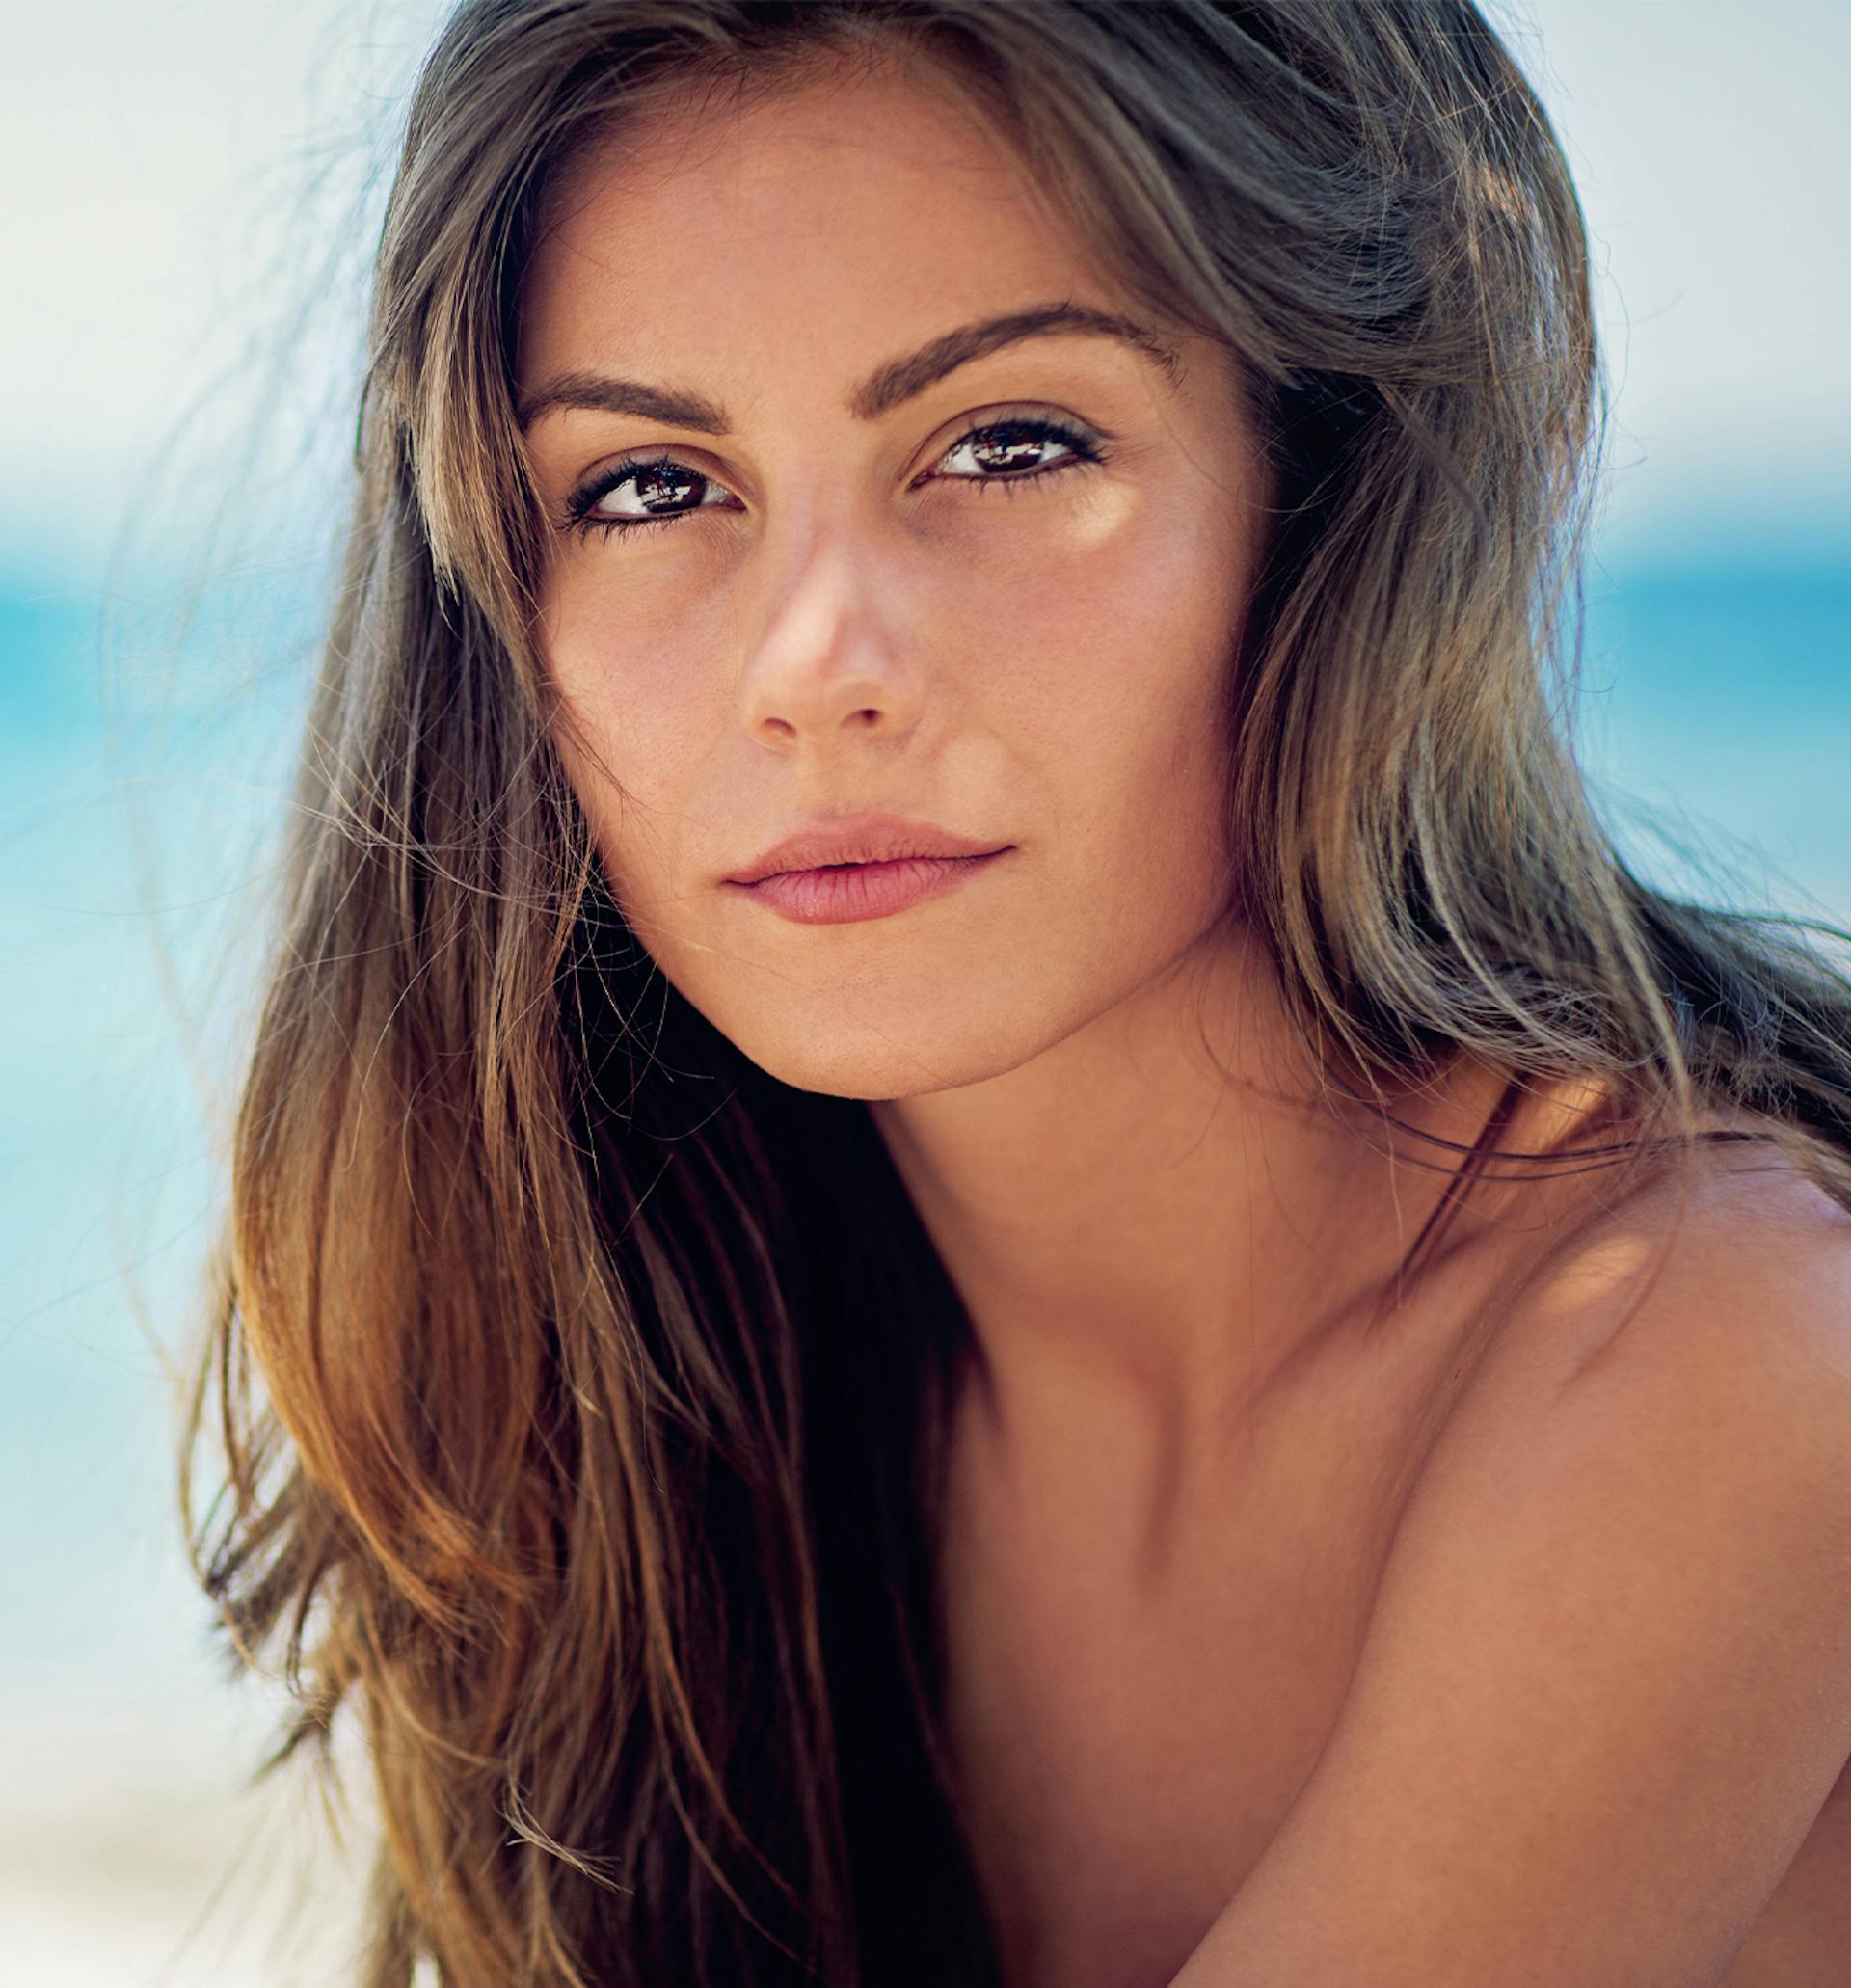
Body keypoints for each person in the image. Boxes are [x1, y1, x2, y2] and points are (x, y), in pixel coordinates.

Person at [179, 4, 1851, 1984]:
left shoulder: (1719, 1348)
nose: (813, 664)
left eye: (1010, 444)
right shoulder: (674, 1369)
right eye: (648, 486)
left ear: (1334, 495)